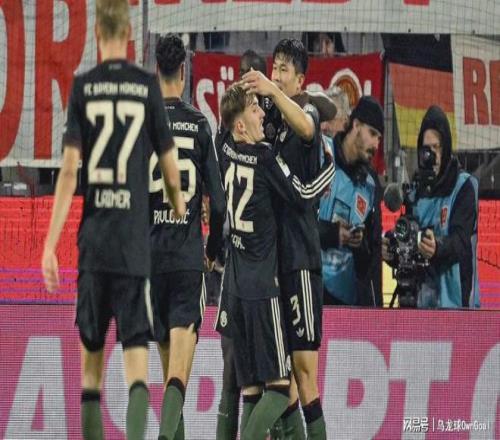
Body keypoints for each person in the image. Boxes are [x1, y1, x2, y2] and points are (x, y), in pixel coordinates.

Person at [41, 2, 185, 439]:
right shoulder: (147, 86)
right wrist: (178, 203)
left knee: (91, 374)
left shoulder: (83, 86)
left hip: (94, 245)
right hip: (133, 248)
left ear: (96, 36)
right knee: (136, 365)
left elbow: (69, 171)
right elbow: (170, 166)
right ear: (128, 35)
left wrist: (49, 244)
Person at [217, 84, 334, 440]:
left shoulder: (224, 148)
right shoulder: (265, 159)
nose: (262, 113)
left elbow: (224, 129)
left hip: (233, 288)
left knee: (250, 389)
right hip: (263, 289)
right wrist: (329, 169)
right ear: (241, 125)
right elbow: (302, 195)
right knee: (281, 389)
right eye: (255, 109)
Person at [241, 38, 331, 439]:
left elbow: (309, 128)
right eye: (273, 67)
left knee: (305, 373)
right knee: (282, 377)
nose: (275, 75)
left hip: (301, 261)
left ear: (300, 80)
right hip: (272, 265)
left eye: (283, 70)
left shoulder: (306, 111)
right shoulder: (271, 121)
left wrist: (272, 91)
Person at [151, 34, 226, 440]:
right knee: (177, 379)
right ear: (184, 72)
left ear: (155, 71)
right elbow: (219, 205)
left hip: (150, 265)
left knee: (169, 381)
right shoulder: (198, 124)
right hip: (185, 263)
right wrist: (211, 254)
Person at [382, 105, 480, 308]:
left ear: (446, 148)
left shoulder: (464, 186)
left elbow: (462, 241)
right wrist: (392, 251)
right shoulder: (414, 192)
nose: (431, 155)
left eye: (436, 147)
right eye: (426, 148)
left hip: (455, 304)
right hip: (418, 302)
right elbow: (408, 243)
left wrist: (438, 248)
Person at [319, 96, 384, 306]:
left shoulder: (370, 185)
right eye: (372, 134)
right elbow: (293, 222)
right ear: (355, 125)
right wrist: (332, 233)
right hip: (307, 290)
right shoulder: (321, 154)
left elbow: (371, 257)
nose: (376, 144)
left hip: (345, 303)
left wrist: (359, 243)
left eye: (379, 138)